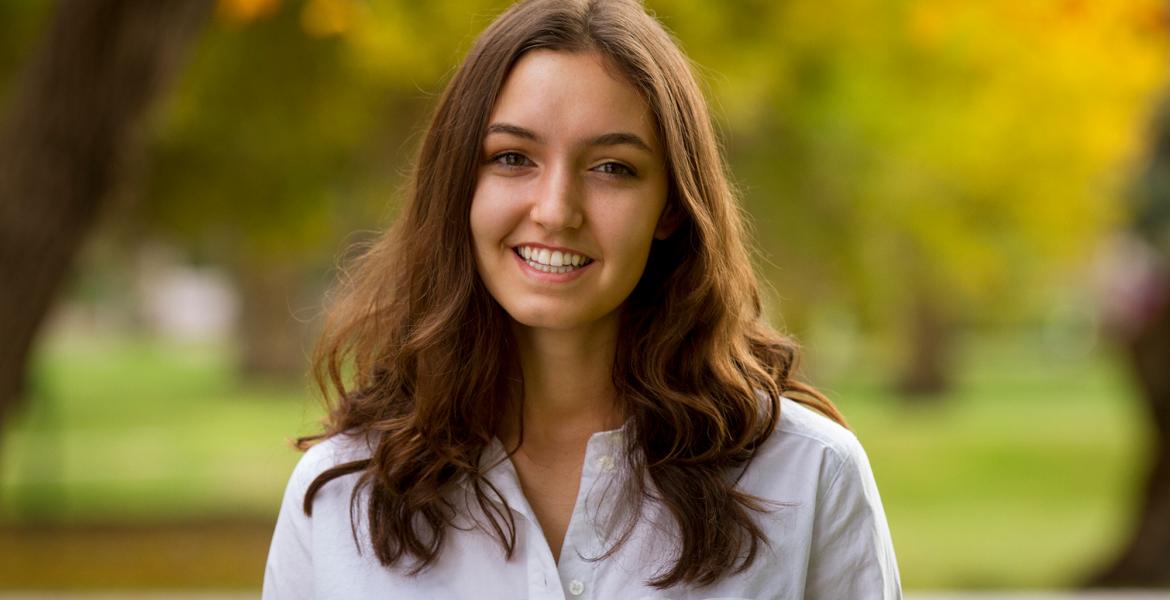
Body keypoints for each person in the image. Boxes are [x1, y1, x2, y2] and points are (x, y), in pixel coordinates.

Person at [262, 0, 901, 598]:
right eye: (513, 158)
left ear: (672, 208)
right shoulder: (343, 492)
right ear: (458, 185)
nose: (555, 210)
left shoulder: (808, 474)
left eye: (612, 168)